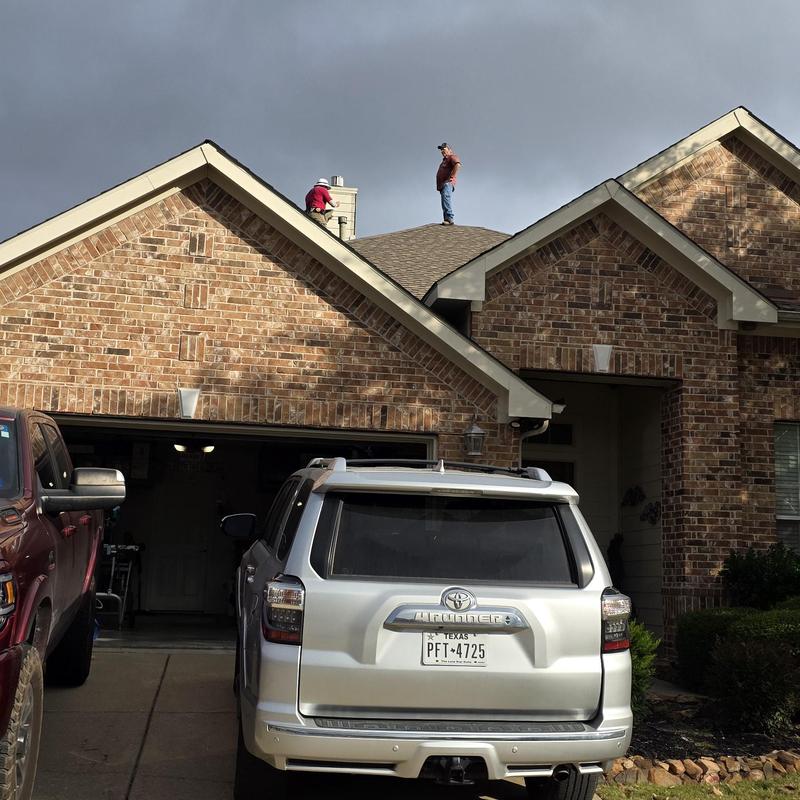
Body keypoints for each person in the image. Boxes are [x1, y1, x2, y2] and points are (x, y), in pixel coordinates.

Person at [436, 143, 461, 225]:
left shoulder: (451, 157)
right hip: (443, 185)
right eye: (441, 149)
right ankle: (446, 218)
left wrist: (452, 176)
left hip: (447, 183)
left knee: (446, 198)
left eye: (444, 149)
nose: (442, 151)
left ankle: (449, 218)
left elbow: (457, 164)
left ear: (450, 150)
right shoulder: (444, 160)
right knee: (444, 200)